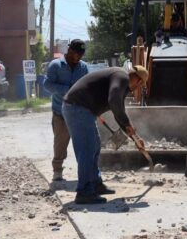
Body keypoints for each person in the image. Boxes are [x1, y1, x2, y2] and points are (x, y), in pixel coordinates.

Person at [61, 65, 149, 204]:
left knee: (95, 146)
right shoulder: (122, 76)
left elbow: (118, 113)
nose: (137, 88)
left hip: (83, 110)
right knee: (87, 150)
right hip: (77, 108)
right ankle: (84, 192)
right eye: (140, 85)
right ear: (138, 81)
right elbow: (114, 101)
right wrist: (127, 124)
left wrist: (135, 138)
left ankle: (95, 184)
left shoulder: (121, 84)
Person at [43, 39, 89, 182]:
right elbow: (47, 84)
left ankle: (86, 172)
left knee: (83, 143)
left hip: (78, 113)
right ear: (69, 50)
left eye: (81, 55)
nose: (78, 57)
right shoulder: (56, 65)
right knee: (61, 143)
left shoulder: (83, 67)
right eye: (76, 54)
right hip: (60, 113)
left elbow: (87, 86)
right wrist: (67, 90)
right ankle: (57, 170)